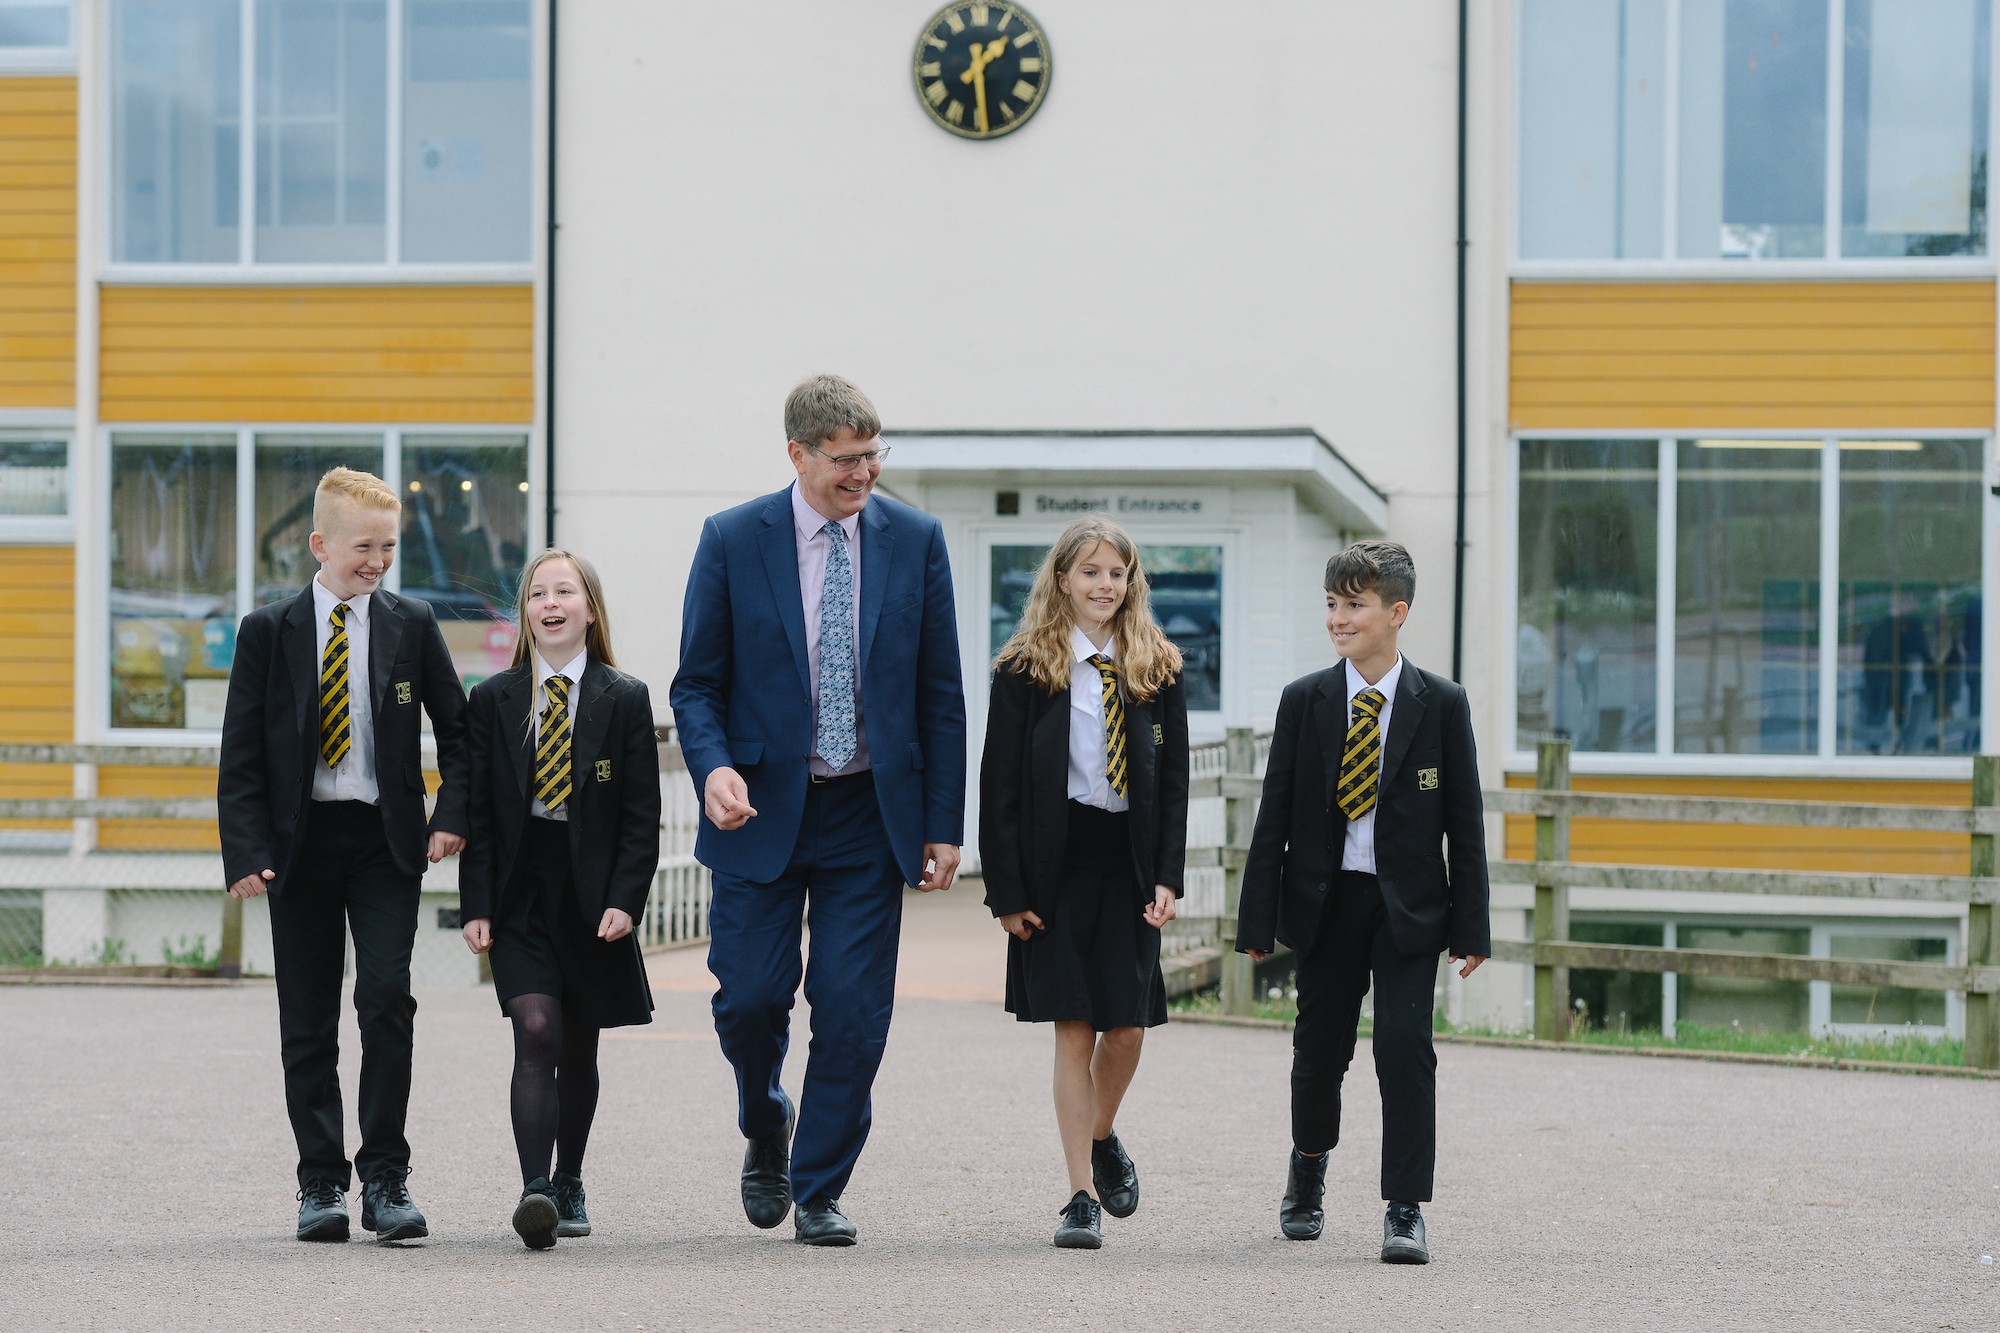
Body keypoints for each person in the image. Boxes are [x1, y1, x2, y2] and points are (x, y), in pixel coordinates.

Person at [670, 374, 967, 1247]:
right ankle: (766, 1118)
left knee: (851, 1008)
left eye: (874, 455)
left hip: (869, 814)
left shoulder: (917, 540)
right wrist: (713, 768)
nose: (864, 473)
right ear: (798, 454)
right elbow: (697, 685)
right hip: (757, 810)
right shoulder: (732, 539)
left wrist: (943, 823)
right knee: (751, 1000)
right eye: (846, 459)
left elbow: (940, 692)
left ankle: (820, 1185)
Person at [217, 466, 469, 1244]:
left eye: (388, 547)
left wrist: (450, 815)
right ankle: (321, 1181)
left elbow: (460, 733)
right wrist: (245, 849)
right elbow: (241, 753)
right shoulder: (268, 631)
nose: (378, 561)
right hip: (299, 848)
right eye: (364, 547)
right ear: (320, 544)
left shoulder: (411, 623)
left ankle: (386, 1179)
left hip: (384, 842)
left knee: (386, 999)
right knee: (308, 1017)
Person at [1235, 539, 1489, 1265]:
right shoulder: (1305, 701)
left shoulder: (1441, 704)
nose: (1338, 618)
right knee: (1319, 1052)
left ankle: (1404, 1206)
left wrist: (1472, 927)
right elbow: (1273, 817)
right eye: (1331, 604)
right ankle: (1308, 1165)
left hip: (1408, 908)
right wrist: (1257, 920)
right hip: (1327, 902)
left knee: (1405, 1050)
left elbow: (1465, 824)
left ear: (1397, 612)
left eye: (1355, 604)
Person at [979, 518, 1189, 1250]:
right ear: (1063, 579)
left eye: (1117, 572)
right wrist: (1007, 893)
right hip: (1057, 866)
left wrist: (1168, 875)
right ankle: (1079, 1195)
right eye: (1091, 571)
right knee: (1074, 1025)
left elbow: (1174, 782)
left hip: (1128, 863)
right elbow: (999, 788)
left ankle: (1101, 1135)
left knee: (1126, 1028)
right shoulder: (1024, 668)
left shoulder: (1157, 665)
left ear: (1132, 582)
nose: (1105, 584)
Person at [458, 550, 661, 1250]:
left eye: (565, 592)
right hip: (520, 888)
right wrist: (476, 903)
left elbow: (640, 815)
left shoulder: (623, 697)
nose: (550, 603)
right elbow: (479, 812)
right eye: (537, 593)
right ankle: (535, 1188)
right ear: (525, 613)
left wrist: (626, 898)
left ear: (589, 610)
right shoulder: (494, 698)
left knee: (577, 1040)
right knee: (536, 1028)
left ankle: (569, 1177)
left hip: (592, 891)